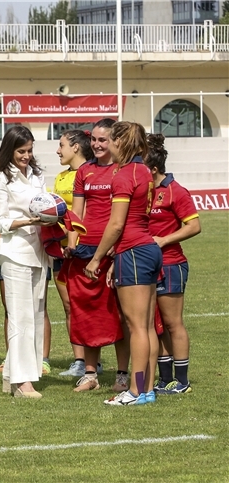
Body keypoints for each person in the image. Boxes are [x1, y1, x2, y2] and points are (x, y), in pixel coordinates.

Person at [85, 121, 162, 406]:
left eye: (110, 140)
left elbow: (116, 225)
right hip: (146, 249)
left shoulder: (124, 174)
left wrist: (97, 259)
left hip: (134, 251)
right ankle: (147, 389)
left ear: (119, 142)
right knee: (147, 326)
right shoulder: (143, 170)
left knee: (137, 327)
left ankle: (135, 390)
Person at [64, 118, 130, 393]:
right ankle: (90, 374)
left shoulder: (124, 170)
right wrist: (71, 243)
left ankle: (123, 374)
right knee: (87, 313)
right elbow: (76, 213)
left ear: (115, 141)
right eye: (94, 140)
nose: (97, 145)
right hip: (85, 250)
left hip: (115, 250)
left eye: (103, 140)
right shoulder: (85, 171)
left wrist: (119, 244)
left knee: (119, 314)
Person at [0, 126, 50, 399]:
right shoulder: (0, 180)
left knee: (35, 316)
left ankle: (12, 375)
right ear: (9, 150)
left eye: (29, 150)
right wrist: (28, 220)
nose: (26, 156)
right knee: (20, 317)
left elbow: (47, 204)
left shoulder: (37, 175)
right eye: (21, 151)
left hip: (39, 251)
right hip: (14, 252)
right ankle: (23, 383)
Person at [145, 134, 201, 395]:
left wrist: (164, 239)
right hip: (146, 266)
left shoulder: (175, 191)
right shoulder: (142, 192)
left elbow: (194, 226)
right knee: (155, 324)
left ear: (153, 169)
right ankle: (164, 378)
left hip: (171, 264)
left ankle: (182, 382)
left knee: (172, 323)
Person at [52, 130, 91, 376]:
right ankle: (80, 361)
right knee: (69, 306)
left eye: (62, 145)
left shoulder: (93, 173)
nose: (58, 150)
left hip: (84, 249)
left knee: (87, 306)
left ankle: (93, 361)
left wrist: (75, 242)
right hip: (61, 250)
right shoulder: (60, 177)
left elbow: (87, 213)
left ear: (76, 147)